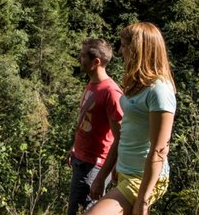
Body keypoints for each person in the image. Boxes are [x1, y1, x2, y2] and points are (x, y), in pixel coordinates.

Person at [86, 22, 176, 215]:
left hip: (143, 177)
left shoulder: (159, 90)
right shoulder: (137, 85)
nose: (120, 51)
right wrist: (115, 167)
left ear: (139, 49)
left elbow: (159, 149)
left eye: (125, 46)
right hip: (127, 172)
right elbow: (126, 130)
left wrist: (143, 200)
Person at [67, 38, 123, 215]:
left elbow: (120, 137)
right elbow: (86, 120)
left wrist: (100, 178)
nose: (79, 58)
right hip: (81, 161)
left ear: (96, 62)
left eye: (83, 56)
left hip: (94, 167)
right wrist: (74, 147)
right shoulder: (92, 84)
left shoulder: (111, 92)